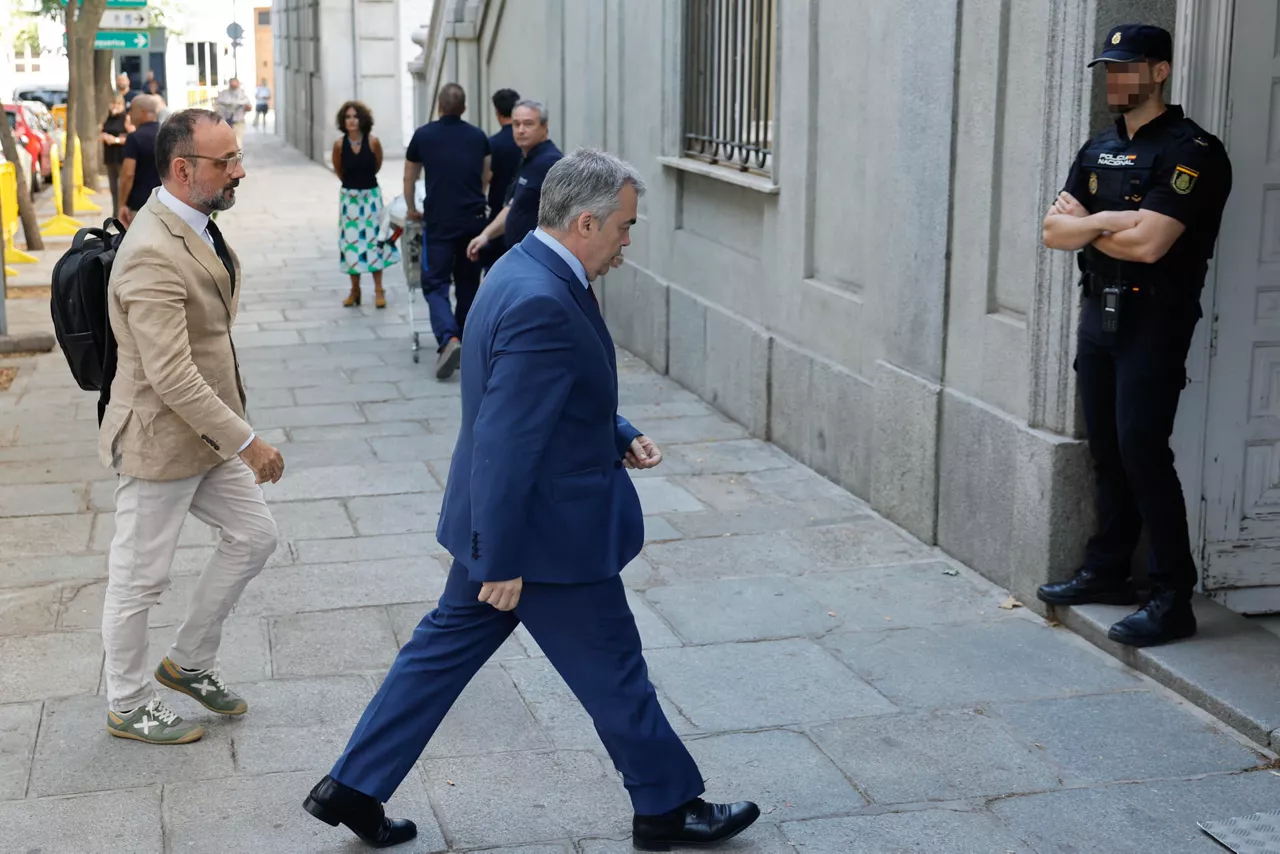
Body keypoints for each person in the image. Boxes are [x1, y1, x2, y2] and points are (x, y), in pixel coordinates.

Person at [302, 148, 761, 851]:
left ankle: (353, 787)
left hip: (504, 524)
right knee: (614, 667)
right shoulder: (544, 297)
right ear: (584, 222)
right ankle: (668, 807)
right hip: (540, 537)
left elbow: (538, 398)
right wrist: (503, 559)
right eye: (625, 228)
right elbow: (508, 439)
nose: (628, 244)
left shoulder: (523, 267)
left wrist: (617, 431)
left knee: (439, 654)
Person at [1036, 24, 1233, 647]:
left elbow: (1151, 245)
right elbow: (1049, 232)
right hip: (1100, 314)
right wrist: (1112, 219)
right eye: (1108, 68)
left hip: (1156, 318)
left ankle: (1173, 596)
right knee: (1106, 450)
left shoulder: (1193, 149)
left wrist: (1089, 223)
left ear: (1159, 72)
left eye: (1127, 67)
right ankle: (1107, 570)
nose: (1114, 79)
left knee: (1143, 450)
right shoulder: (1097, 147)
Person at [99, 108, 284, 744]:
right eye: (225, 162)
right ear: (183, 169)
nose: (239, 171)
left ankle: (187, 661)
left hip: (203, 433)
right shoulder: (151, 250)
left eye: (236, 157)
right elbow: (172, 375)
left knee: (254, 537)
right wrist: (247, 440)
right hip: (158, 436)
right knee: (138, 579)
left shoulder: (197, 224)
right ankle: (126, 703)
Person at [403, 82, 491, 380]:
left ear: (439, 107)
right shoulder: (478, 136)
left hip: (439, 220)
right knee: (468, 282)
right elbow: (486, 176)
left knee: (434, 283)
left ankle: (448, 338)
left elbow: (410, 175)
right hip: (473, 220)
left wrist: (411, 207)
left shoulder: (423, 135)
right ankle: (462, 340)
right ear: (464, 108)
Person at [466, 99, 562, 262]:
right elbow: (514, 205)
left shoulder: (550, 163)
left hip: (540, 261)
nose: (521, 130)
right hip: (522, 257)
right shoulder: (528, 158)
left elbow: (576, 209)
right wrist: (486, 235)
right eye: (516, 124)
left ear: (544, 127)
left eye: (528, 124)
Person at [332, 100, 398, 309]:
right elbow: (339, 170)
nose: (351, 120)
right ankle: (355, 289)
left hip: (370, 199)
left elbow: (376, 165)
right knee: (351, 244)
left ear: (363, 119)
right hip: (349, 199)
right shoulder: (340, 145)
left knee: (374, 242)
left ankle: (379, 289)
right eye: (348, 117)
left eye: (355, 116)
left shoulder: (373, 142)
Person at [480, 87, 522, 271]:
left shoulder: (492, 144)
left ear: (497, 112)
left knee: (496, 271)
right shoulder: (528, 143)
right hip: (526, 215)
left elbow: (486, 177)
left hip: (498, 212)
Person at [116, 95, 163, 227]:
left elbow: (128, 174)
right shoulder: (169, 135)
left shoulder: (135, 138)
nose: (129, 114)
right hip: (167, 203)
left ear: (143, 112)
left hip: (141, 205)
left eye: (131, 110)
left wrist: (122, 204)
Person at [100, 96, 132, 214]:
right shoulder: (108, 119)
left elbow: (131, 135)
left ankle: (124, 211)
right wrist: (104, 136)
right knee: (113, 188)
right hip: (110, 157)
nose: (115, 106)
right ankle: (115, 213)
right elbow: (102, 132)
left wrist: (116, 140)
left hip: (122, 156)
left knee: (122, 187)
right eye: (113, 103)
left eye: (118, 104)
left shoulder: (126, 118)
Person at [215, 78, 253, 146]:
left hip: (238, 122)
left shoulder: (242, 95)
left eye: (235, 84)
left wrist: (245, 106)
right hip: (225, 122)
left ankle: (237, 156)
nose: (233, 86)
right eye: (232, 84)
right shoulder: (224, 93)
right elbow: (216, 105)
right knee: (225, 143)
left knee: (237, 143)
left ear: (238, 84)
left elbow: (249, 107)